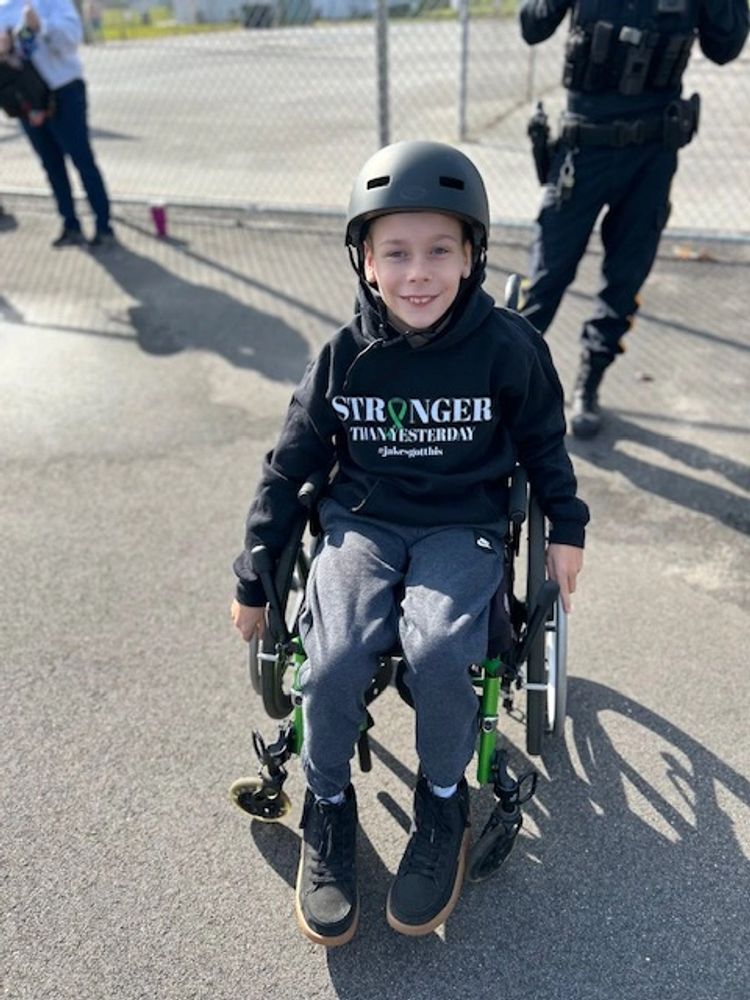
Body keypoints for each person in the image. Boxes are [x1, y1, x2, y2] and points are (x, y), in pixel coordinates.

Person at [230, 141, 589, 946]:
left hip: (465, 524)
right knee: (331, 658)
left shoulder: (508, 347)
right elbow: (288, 469)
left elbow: (544, 445)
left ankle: (442, 803)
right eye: (396, 252)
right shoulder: (343, 358)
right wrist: (254, 576)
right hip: (363, 522)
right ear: (364, 260)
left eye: (439, 251)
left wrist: (566, 528)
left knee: (441, 652)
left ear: (472, 255)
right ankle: (328, 804)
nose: (417, 273)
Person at [518, 0, 749, 439]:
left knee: (625, 279)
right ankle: (506, 384)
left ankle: (590, 378)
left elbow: (726, 47)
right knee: (547, 276)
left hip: (652, 154)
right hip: (584, 150)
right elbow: (532, 27)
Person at [0, 0, 115, 248]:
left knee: (82, 159)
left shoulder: (53, 2)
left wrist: (41, 26)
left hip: (63, 92)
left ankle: (104, 227)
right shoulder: (4, 9)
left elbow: (71, 39)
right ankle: (70, 225)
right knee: (51, 165)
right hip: (27, 99)